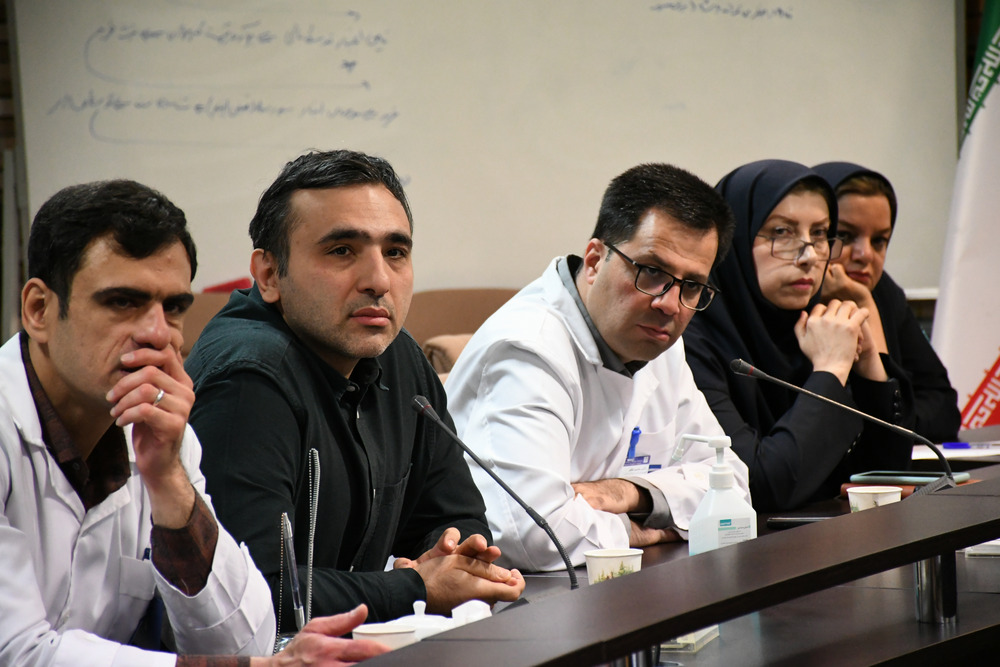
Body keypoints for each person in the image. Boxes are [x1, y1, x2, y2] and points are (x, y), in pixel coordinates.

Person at [0, 179, 390, 666]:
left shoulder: (161, 430)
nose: (156, 334)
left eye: (173, 308)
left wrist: (168, 479)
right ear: (38, 310)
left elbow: (242, 642)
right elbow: (17, 653)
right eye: (122, 302)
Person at [185, 150, 524, 631]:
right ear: (269, 274)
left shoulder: (397, 355)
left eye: (395, 252)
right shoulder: (248, 378)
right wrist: (416, 588)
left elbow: (456, 517)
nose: (378, 281)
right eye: (342, 251)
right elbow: (257, 592)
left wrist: (451, 555)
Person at [444, 163, 751, 572]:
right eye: (652, 272)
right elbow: (534, 536)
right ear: (594, 260)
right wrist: (643, 530)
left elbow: (732, 488)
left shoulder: (661, 345)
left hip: (613, 581)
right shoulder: (527, 347)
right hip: (512, 599)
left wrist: (630, 494)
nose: (669, 304)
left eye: (692, 286)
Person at [682, 159, 914, 512]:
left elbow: (883, 477)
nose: (808, 256)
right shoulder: (690, 341)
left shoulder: (818, 326)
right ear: (733, 242)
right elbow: (757, 486)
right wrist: (831, 370)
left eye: (819, 234)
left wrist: (870, 368)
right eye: (781, 232)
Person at [812, 161, 961, 443]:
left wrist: (865, 302)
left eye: (879, 240)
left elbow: (943, 409)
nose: (865, 254)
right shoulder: (788, 303)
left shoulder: (884, 294)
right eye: (845, 235)